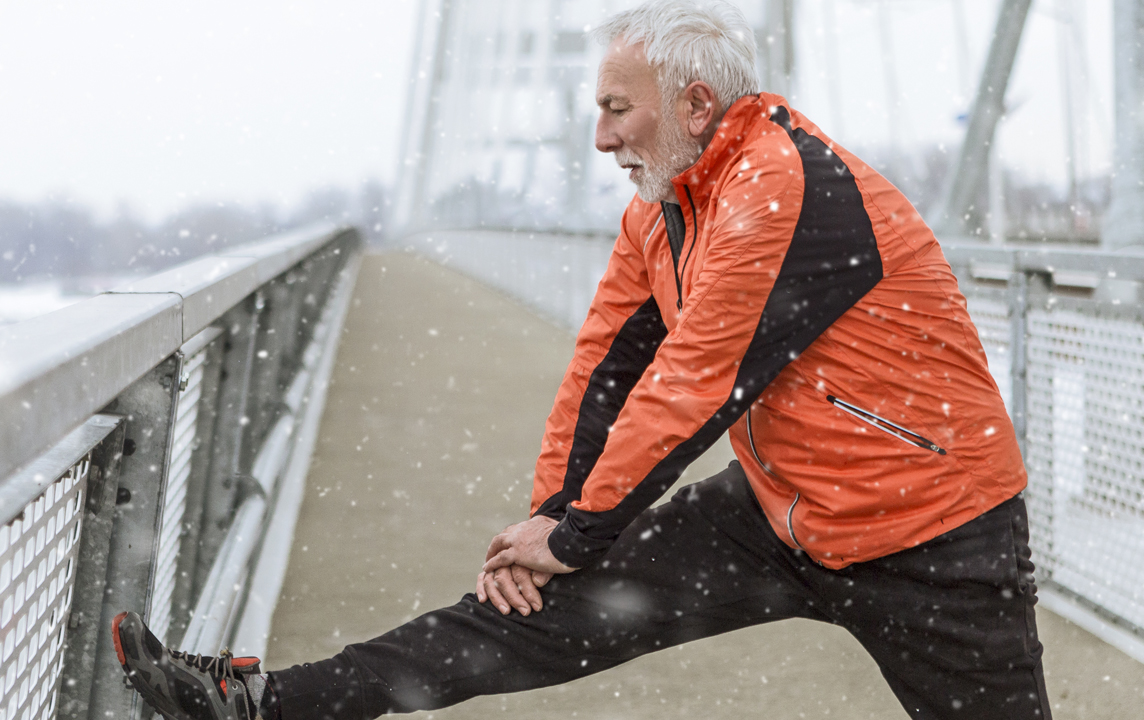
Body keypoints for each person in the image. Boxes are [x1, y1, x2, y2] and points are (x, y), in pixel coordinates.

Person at [111, 1, 1052, 718]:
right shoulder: (662, 207)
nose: (599, 137)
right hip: (782, 509)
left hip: (935, 534)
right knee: (527, 620)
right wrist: (553, 520)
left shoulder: (783, 186)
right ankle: (269, 703)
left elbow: (695, 387)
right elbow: (604, 370)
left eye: (616, 109)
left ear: (694, 104)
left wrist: (574, 538)